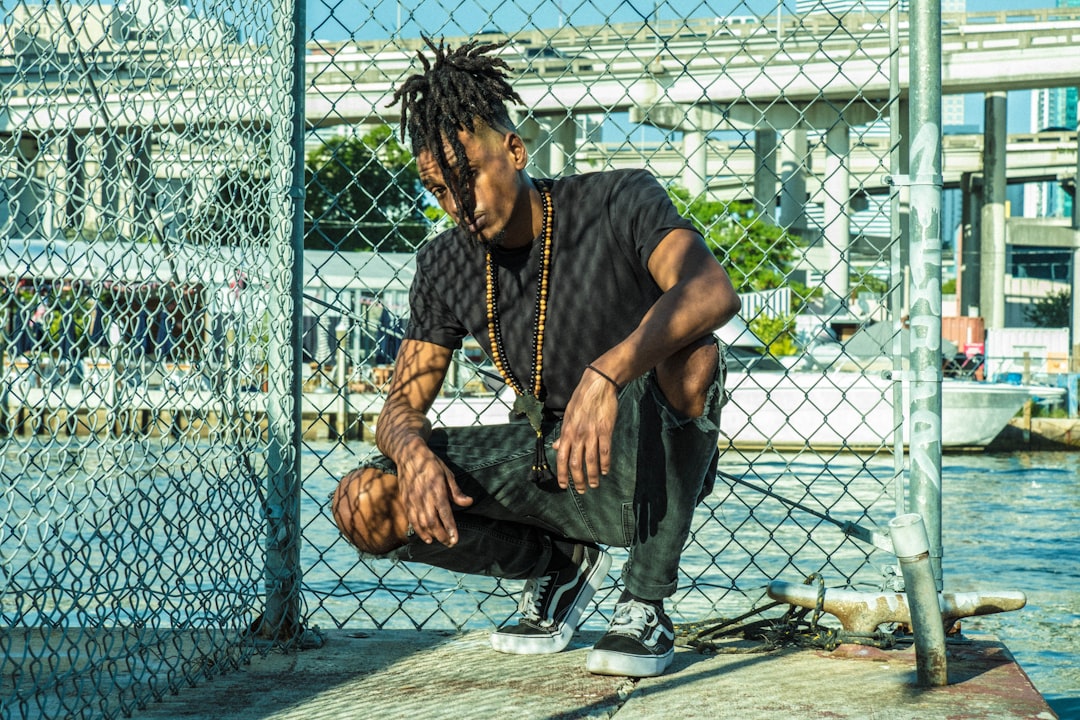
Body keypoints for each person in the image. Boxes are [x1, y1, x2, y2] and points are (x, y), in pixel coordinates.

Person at [332, 36, 741, 678]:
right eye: (439, 190)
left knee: (693, 354)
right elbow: (402, 403)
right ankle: (556, 566)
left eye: (468, 178)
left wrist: (607, 374)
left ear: (515, 152)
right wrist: (411, 455)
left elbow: (710, 290)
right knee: (363, 502)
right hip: (544, 457)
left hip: (644, 454)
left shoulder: (616, 201)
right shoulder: (443, 264)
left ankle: (645, 602)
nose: (458, 205)